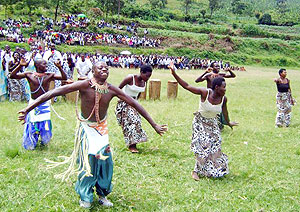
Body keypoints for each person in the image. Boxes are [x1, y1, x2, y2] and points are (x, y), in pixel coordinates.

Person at [18, 61, 167, 208]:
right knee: (88, 162)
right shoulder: (84, 85)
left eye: (106, 68)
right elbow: (53, 92)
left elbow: (135, 104)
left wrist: (154, 124)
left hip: (102, 129)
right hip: (86, 128)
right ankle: (85, 196)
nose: (104, 70)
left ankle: (102, 194)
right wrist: (28, 109)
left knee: (105, 162)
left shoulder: (112, 89)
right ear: (93, 70)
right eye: (100, 67)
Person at [168, 63, 238, 180]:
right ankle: (196, 171)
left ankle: (213, 169)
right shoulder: (205, 93)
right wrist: (174, 73)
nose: (225, 89)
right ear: (216, 88)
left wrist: (228, 122)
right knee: (202, 147)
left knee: (215, 147)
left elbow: (225, 112)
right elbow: (187, 86)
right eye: (223, 87)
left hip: (213, 124)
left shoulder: (223, 99)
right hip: (200, 122)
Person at [10, 58, 67, 150]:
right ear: (38, 66)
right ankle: (31, 143)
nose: (46, 66)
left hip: (44, 105)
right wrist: (20, 65)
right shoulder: (29, 74)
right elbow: (12, 76)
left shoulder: (49, 75)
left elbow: (64, 78)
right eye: (44, 64)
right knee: (32, 122)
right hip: (33, 103)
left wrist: (60, 68)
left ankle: (44, 142)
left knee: (45, 122)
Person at [115, 64, 152, 153]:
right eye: (146, 76)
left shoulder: (144, 82)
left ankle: (133, 143)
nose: (148, 78)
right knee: (132, 121)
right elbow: (117, 89)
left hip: (134, 104)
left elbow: (138, 94)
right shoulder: (130, 78)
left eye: (149, 76)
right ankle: (132, 146)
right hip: (124, 102)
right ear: (141, 72)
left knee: (136, 121)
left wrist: (136, 103)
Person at [195, 61, 236, 130]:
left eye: (218, 66)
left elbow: (233, 76)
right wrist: (206, 72)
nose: (218, 67)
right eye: (216, 66)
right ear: (212, 67)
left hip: (218, 96)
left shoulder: (221, 75)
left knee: (220, 110)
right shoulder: (209, 75)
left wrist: (229, 70)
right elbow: (197, 80)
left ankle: (220, 124)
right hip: (210, 96)